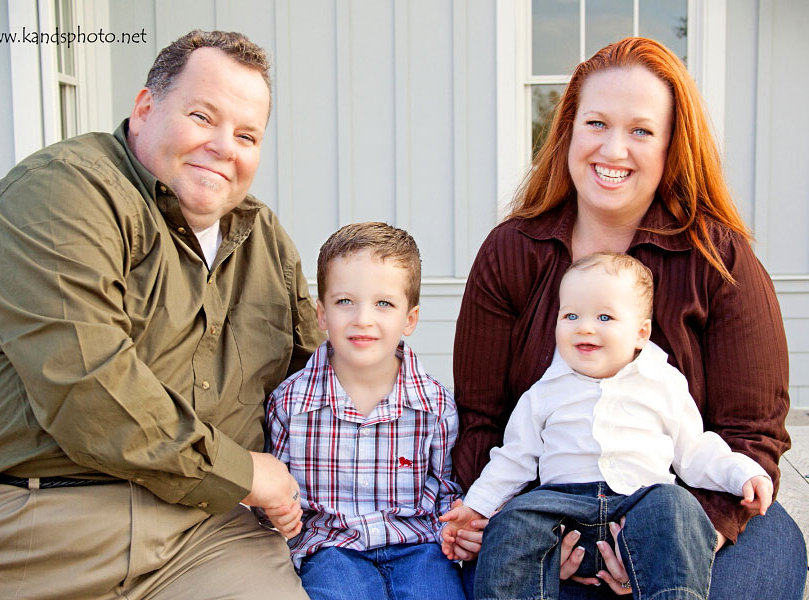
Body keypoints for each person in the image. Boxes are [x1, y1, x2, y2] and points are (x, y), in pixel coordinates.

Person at [0, 30, 326, 599]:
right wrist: (248, 475)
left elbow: (318, 380)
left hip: (206, 533)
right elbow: (89, 388)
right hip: (23, 518)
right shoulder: (63, 192)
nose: (225, 147)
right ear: (145, 108)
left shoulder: (262, 237)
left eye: (247, 134)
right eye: (203, 117)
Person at [451, 36, 806, 599]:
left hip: (683, 506)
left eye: (640, 130)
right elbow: (481, 422)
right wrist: (532, 530)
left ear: (670, 146)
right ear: (568, 131)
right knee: (493, 566)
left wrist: (682, 543)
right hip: (547, 514)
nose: (613, 149)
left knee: (767, 549)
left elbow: (751, 433)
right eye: (596, 123)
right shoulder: (511, 251)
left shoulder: (719, 258)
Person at [441, 252, 773, 599]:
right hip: (561, 510)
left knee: (677, 507)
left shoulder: (663, 382)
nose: (584, 327)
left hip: (639, 508)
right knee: (512, 521)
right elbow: (514, 458)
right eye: (571, 315)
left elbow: (695, 450)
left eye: (604, 316)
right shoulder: (544, 392)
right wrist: (475, 506)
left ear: (641, 333)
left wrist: (743, 474)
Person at [266, 222, 467, 600]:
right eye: (345, 301)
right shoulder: (290, 404)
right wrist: (277, 513)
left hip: (418, 546)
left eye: (384, 303)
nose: (363, 318)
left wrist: (456, 523)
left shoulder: (434, 405)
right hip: (329, 548)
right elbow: (277, 491)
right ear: (321, 314)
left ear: (409, 318)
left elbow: (443, 488)